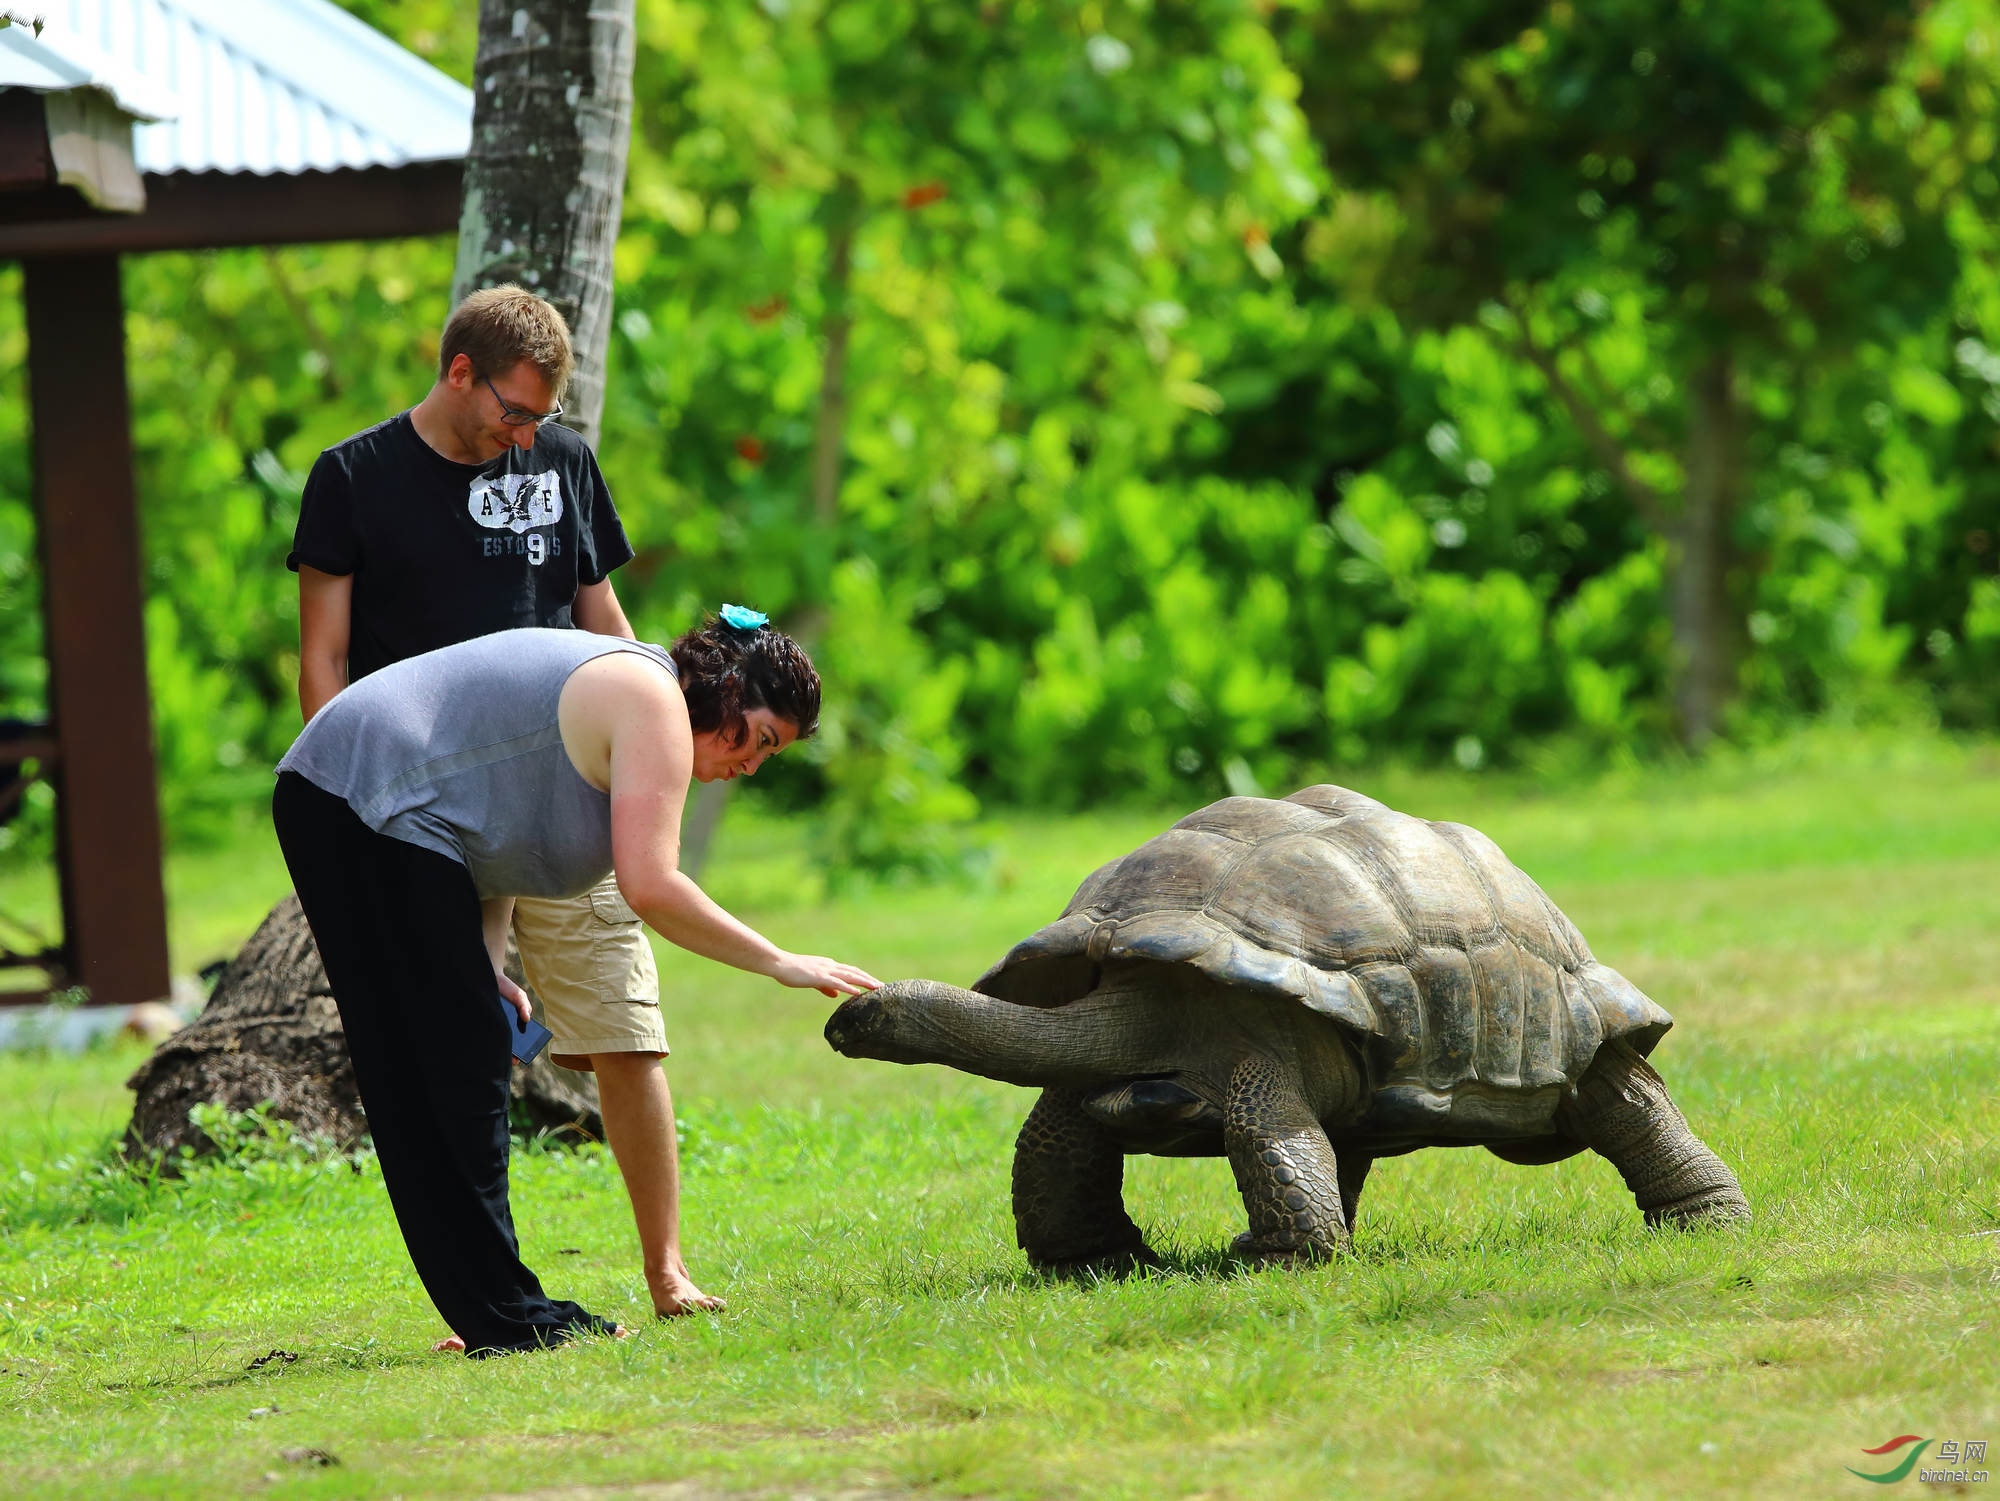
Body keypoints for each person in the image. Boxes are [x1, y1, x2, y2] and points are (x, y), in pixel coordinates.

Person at [271, 615, 881, 1356]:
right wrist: (781, 959)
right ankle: (505, 1311)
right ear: (724, 690)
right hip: (360, 794)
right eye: (758, 738)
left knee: (451, 1059)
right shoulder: (654, 699)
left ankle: (490, 1307)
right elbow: (651, 885)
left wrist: (483, 963)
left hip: (344, 798)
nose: (751, 764)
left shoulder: (636, 705)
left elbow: (486, 831)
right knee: (447, 1070)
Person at [290, 285, 721, 1322]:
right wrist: (358, 803)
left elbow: (601, 616)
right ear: (457, 373)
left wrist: (653, 729)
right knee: (465, 1049)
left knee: (624, 1027)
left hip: (575, 787)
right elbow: (324, 659)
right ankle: (497, 1292)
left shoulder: (558, 461)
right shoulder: (353, 478)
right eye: (511, 412)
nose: (524, 435)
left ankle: (666, 1271)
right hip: (432, 815)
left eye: (538, 417)